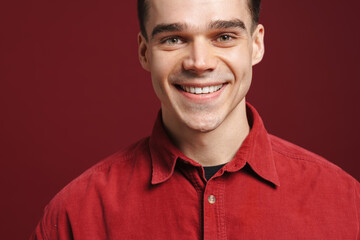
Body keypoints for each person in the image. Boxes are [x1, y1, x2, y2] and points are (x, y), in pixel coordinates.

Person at [31, 0, 360, 239]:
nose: (199, 63)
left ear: (256, 44)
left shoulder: (347, 205)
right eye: (173, 39)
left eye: (224, 36)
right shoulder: (74, 215)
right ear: (145, 52)